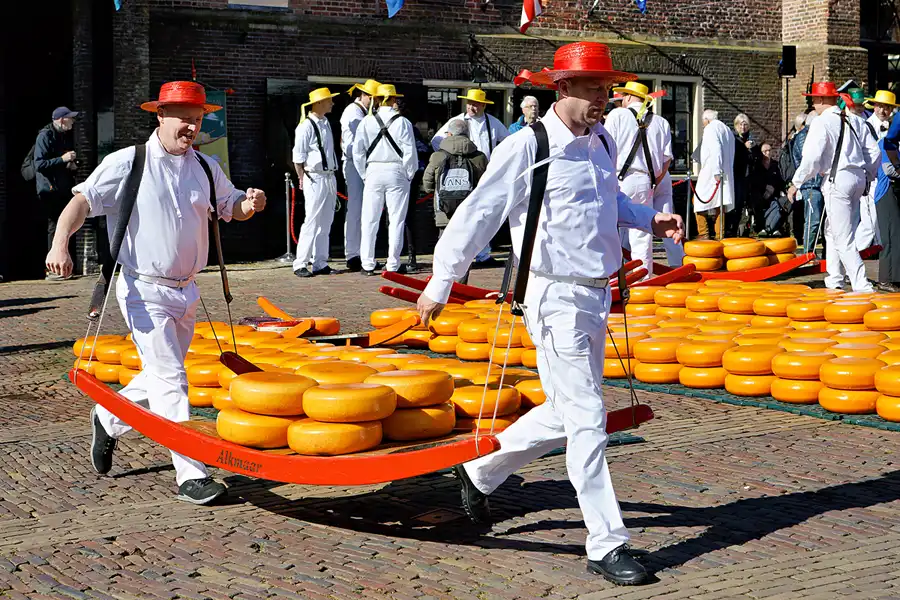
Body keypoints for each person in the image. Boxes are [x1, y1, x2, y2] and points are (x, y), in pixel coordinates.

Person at [417, 41, 684, 587]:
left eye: (607, 90)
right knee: (587, 418)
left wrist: (647, 220)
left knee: (567, 411)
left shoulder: (604, 139)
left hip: (597, 294)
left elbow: (608, 205)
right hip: (552, 295)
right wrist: (441, 282)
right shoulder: (528, 146)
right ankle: (607, 543)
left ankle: (478, 472)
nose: (603, 100)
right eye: (592, 90)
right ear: (561, 89)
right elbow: (478, 213)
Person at [44, 81, 267, 504]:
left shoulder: (204, 166)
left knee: (159, 375)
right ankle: (190, 474)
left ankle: (108, 419)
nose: (191, 128)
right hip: (143, 288)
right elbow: (81, 202)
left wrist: (251, 203)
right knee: (171, 377)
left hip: (187, 289)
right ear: (160, 116)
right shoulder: (128, 162)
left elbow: (231, 208)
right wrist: (59, 243)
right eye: (184, 119)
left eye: (198, 120)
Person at [788, 81, 879, 292]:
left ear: (820, 100)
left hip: (838, 180)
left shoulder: (821, 123)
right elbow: (874, 153)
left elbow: (811, 158)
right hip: (857, 179)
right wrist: (868, 175)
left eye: (813, 99)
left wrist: (796, 183)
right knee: (831, 230)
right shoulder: (855, 120)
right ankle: (835, 278)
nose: (812, 103)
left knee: (843, 236)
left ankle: (862, 285)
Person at [605, 81, 679, 278]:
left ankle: (614, 275)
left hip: (620, 178)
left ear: (627, 97)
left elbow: (606, 150)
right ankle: (643, 278)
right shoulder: (661, 122)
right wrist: (654, 181)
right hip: (647, 180)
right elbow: (666, 160)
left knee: (610, 226)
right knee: (641, 232)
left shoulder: (617, 115)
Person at [432, 89, 510, 267]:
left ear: (483, 105)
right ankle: (457, 253)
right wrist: (449, 157)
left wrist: (498, 162)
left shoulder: (493, 123)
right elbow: (436, 140)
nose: (471, 107)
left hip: (483, 172)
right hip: (460, 172)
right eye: (469, 103)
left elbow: (508, 142)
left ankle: (483, 254)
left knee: (482, 213)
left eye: (475, 103)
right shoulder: (457, 121)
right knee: (458, 212)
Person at [351, 84, 417, 276]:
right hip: (396, 170)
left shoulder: (367, 121)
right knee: (396, 219)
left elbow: (358, 152)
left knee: (369, 219)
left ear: (377, 99)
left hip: (373, 170)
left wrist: (364, 173)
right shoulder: (403, 122)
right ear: (393, 99)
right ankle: (393, 264)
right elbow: (409, 152)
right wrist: (409, 174)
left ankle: (368, 263)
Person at [291, 87, 339, 278]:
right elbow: (298, 156)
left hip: (329, 176)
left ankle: (320, 261)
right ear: (319, 103)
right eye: (329, 100)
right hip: (315, 176)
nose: (332, 103)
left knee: (326, 221)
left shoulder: (325, 123)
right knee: (311, 220)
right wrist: (302, 177)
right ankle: (300, 262)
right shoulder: (305, 126)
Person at [340, 79, 380, 272]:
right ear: (367, 97)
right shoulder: (353, 112)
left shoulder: (362, 112)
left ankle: (361, 253)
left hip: (361, 162)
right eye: (375, 99)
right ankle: (353, 254)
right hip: (354, 163)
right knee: (356, 208)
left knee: (363, 209)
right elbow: (358, 142)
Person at [35, 106, 79, 279]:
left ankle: (62, 266)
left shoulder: (61, 136)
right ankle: (53, 269)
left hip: (61, 188)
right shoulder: (45, 135)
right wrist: (63, 159)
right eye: (70, 119)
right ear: (61, 119)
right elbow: (39, 164)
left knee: (64, 224)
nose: (73, 122)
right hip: (50, 190)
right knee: (55, 226)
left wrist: (70, 164)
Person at [422, 118, 488, 235]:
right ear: (467, 135)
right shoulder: (480, 157)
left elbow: (427, 185)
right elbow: (486, 185)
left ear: (450, 134)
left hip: (444, 211)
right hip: (470, 212)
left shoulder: (437, 156)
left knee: (445, 247)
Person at [691, 109, 735, 239]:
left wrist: (716, 170)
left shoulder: (710, 128)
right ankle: (719, 234)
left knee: (698, 200)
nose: (703, 125)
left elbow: (716, 149)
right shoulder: (727, 129)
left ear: (707, 120)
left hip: (712, 171)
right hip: (725, 171)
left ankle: (703, 233)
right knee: (720, 204)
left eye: (703, 122)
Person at [793, 112, 825, 252]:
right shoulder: (804, 137)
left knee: (825, 222)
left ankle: (826, 253)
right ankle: (808, 252)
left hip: (821, 182)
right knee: (814, 220)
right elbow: (808, 160)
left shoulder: (813, 135)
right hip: (811, 184)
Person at [874, 138, 900, 292]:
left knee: (896, 236)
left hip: (894, 193)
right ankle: (885, 280)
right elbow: (888, 169)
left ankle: (895, 277)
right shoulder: (886, 144)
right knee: (889, 237)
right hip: (885, 193)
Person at [752, 143, 786, 236]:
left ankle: (767, 229)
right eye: (764, 151)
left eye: (769, 150)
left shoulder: (775, 165)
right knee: (757, 206)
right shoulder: (757, 166)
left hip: (773, 194)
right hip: (760, 195)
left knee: (776, 204)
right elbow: (754, 181)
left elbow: (780, 180)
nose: (767, 153)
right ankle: (770, 228)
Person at [730, 113, 754, 235]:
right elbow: (735, 158)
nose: (743, 127)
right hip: (738, 176)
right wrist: (744, 148)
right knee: (737, 203)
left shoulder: (751, 138)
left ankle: (745, 230)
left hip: (748, 177)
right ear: (736, 126)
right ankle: (732, 230)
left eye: (745, 124)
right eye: (740, 124)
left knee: (747, 204)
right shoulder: (734, 139)